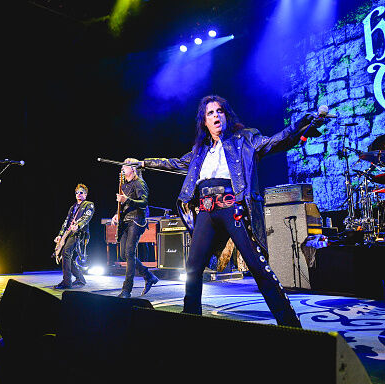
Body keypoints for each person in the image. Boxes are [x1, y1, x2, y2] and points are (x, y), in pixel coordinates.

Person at [142, 95, 323, 327]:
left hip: (232, 207)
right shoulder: (199, 152)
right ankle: (189, 323)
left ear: (226, 115)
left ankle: (289, 323)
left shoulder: (245, 139)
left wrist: (301, 125)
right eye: (210, 113)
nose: (216, 116)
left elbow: (277, 141)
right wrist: (143, 163)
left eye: (219, 111)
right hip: (206, 211)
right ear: (204, 122)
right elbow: (174, 163)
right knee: (193, 268)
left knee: (258, 266)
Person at [111, 158, 159, 298]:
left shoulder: (139, 183)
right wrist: (116, 215)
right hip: (126, 221)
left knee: (130, 252)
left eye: (126, 165)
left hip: (137, 221)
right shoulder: (124, 184)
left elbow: (143, 202)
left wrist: (126, 200)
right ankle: (148, 275)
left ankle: (127, 290)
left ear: (133, 169)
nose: (122, 167)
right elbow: (123, 206)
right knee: (123, 255)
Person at [54, 184, 94, 289]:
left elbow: (87, 217)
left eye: (81, 192)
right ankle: (80, 279)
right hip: (69, 233)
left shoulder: (89, 205)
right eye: (77, 192)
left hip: (79, 233)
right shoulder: (73, 207)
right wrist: (60, 235)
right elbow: (66, 222)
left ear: (85, 194)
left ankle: (67, 282)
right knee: (65, 255)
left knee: (66, 253)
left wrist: (78, 226)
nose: (78, 194)